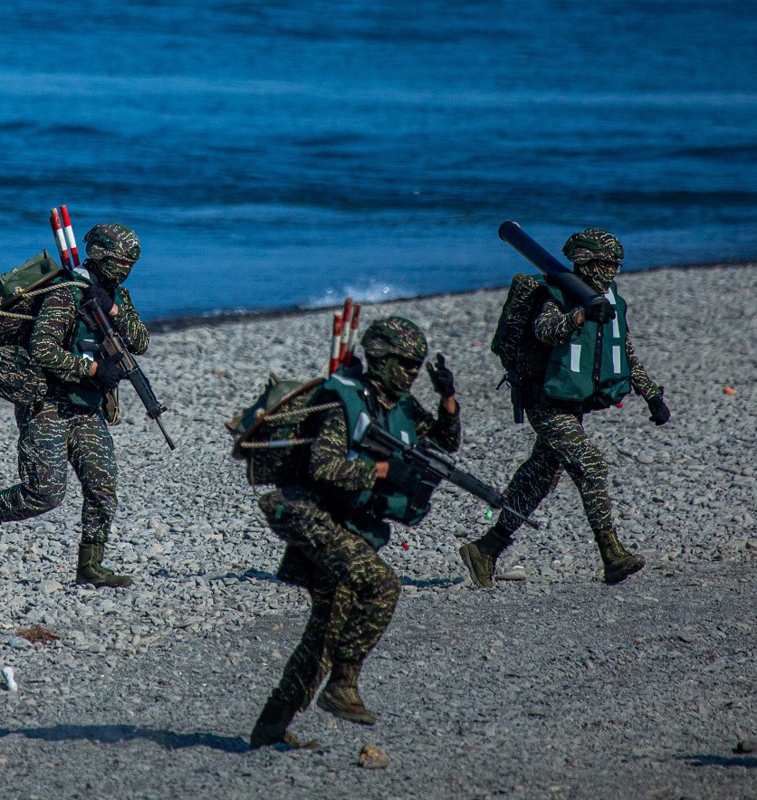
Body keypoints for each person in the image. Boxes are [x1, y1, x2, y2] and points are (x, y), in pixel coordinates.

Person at [249, 317, 461, 748]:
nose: (411, 373)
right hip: (313, 516)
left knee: (326, 632)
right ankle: (342, 686)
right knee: (382, 585)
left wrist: (448, 397)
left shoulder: (401, 407)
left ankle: (270, 727)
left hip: (351, 523)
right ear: (379, 358)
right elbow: (323, 469)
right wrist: (384, 469)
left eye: (417, 366)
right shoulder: (343, 401)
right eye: (405, 364)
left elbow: (445, 443)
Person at [460, 228, 668, 587]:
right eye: (608, 264)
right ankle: (612, 555)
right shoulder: (559, 294)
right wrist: (579, 317)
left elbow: (624, 350)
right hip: (545, 401)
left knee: (540, 476)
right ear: (588, 262)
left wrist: (651, 395)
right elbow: (544, 330)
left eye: (618, 265)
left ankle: (485, 549)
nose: (614, 271)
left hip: (572, 402)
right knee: (590, 465)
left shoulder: (608, 297)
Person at [0, 224, 149, 587]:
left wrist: (115, 311)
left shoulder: (116, 293)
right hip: (47, 403)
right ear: (102, 255)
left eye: (131, 263)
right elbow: (43, 349)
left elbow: (140, 342)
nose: (126, 269)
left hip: (86, 407)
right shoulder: (65, 293)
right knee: (45, 493)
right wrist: (90, 368)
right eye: (121, 261)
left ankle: (91, 564)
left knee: (103, 485)